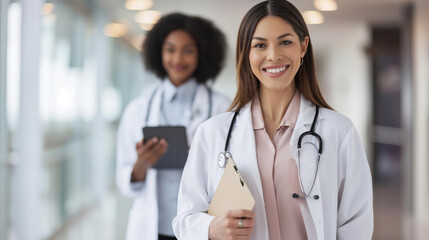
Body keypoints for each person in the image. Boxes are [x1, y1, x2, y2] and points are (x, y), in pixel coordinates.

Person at [173, 1, 373, 239]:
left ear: (303, 47)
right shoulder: (212, 133)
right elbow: (184, 220)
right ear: (246, 54)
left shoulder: (339, 132)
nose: (273, 56)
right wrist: (211, 228)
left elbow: (356, 223)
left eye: (285, 42)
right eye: (260, 45)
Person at [116, 13, 230, 240]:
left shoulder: (222, 108)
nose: (178, 58)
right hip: (152, 227)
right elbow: (123, 174)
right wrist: (140, 166)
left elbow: (235, 171)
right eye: (170, 49)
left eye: (188, 50)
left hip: (202, 225)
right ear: (159, 53)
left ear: (202, 55)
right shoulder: (137, 110)